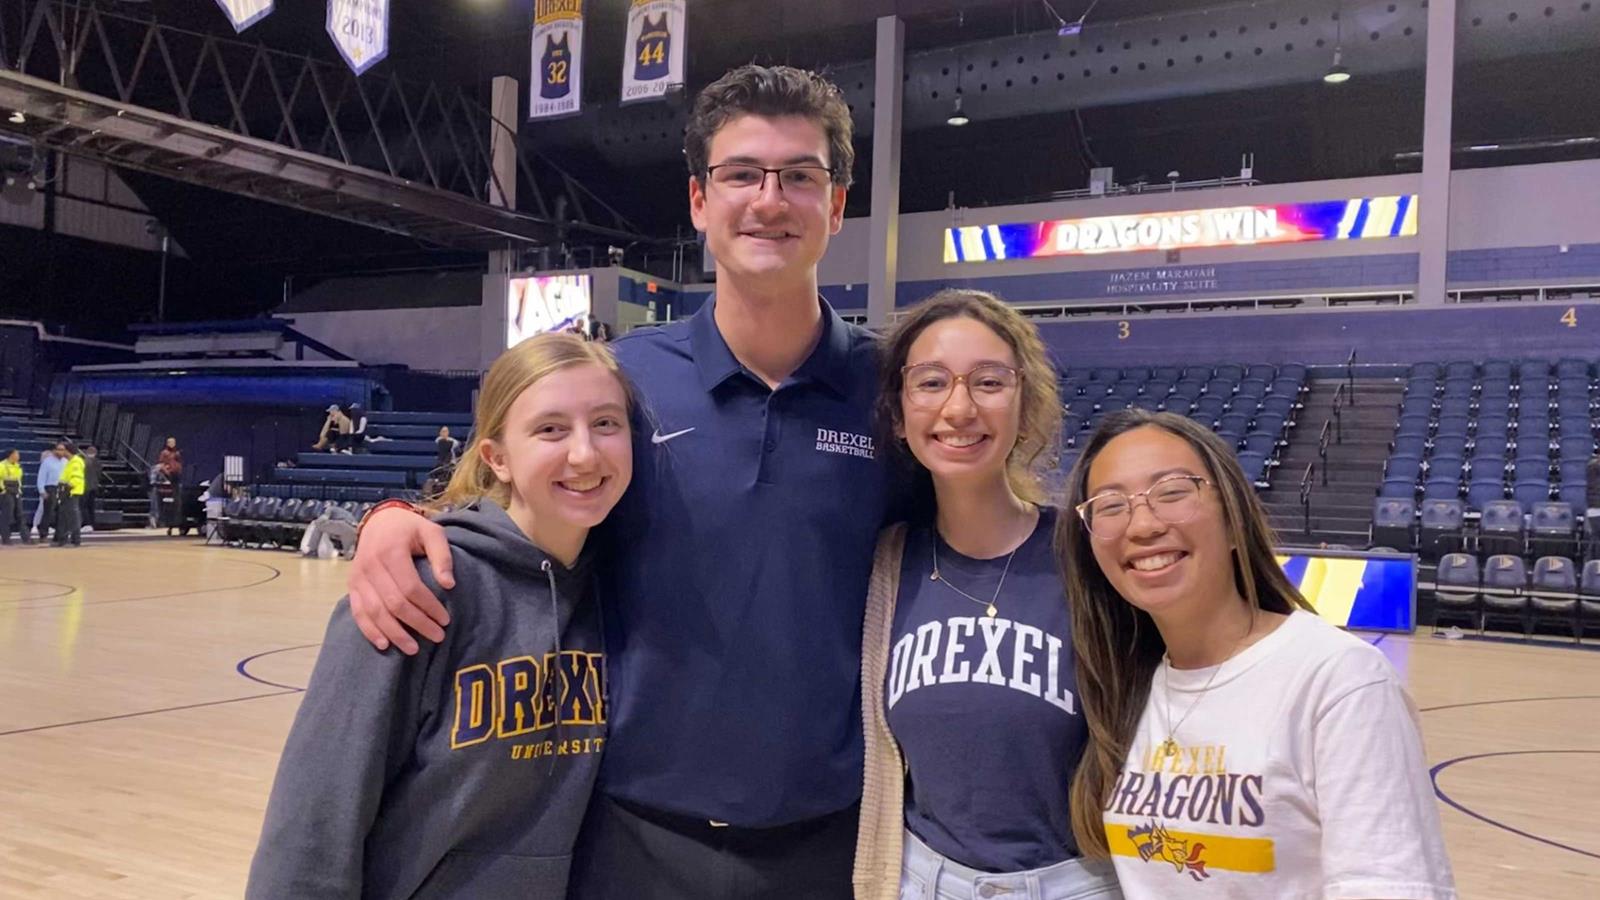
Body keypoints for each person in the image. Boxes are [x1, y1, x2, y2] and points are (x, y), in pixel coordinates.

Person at [348, 65, 890, 899]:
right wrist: (394, 518)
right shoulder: (624, 381)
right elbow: (508, 497)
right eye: (741, 174)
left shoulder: (892, 394)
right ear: (701, 201)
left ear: (838, 204)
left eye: (799, 177)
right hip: (630, 839)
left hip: (831, 845)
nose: (769, 200)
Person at [247, 332, 634, 898]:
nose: (584, 453)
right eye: (550, 429)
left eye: (606, 423)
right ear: (496, 457)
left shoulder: (626, 589)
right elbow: (313, 826)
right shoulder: (416, 589)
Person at [1059, 410, 1456, 899]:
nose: (1142, 524)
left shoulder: (1339, 679)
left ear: (1233, 520)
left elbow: (1389, 886)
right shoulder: (1118, 684)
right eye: (1110, 505)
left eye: (1173, 492)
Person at [854, 290, 1120, 900]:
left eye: (989, 382)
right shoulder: (884, 566)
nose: (959, 407)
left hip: (1075, 881)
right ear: (899, 412)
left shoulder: (1087, 553)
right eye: (931, 382)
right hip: (921, 879)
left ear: (1025, 404)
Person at [54, 443, 85, 547]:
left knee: (73, 517)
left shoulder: (76, 462)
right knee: (63, 517)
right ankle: (62, 539)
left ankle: (75, 540)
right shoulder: (70, 462)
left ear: (68, 451)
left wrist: (68, 487)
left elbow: (76, 478)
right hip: (66, 491)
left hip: (72, 492)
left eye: (63, 450)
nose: (62, 452)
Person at [33, 442, 66, 541]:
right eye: (59, 449)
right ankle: (43, 534)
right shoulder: (47, 462)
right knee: (48, 512)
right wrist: (42, 490)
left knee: (61, 512)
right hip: (50, 487)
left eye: (63, 450)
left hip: (62, 487)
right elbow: (41, 477)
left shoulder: (66, 462)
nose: (61, 452)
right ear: (55, 450)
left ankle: (59, 535)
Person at [0, 449, 27, 544]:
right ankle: (6, 538)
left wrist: (19, 491)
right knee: (7, 515)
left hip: (16, 491)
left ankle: (25, 537)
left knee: (20, 514)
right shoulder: (2, 465)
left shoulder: (18, 466)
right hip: (6, 492)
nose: (18, 456)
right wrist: (3, 490)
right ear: (11, 455)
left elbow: (18, 479)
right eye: (17, 454)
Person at [157, 437, 183, 532]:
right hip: (169, 477)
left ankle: (178, 521)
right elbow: (161, 464)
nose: (172, 444)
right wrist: (166, 472)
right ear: (167, 443)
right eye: (170, 442)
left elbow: (179, 463)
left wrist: (179, 469)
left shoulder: (177, 453)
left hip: (176, 477)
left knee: (177, 500)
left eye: (174, 442)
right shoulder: (164, 453)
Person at [81, 445, 101, 533]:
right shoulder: (98, 463)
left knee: (84, 505)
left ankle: (87, 523)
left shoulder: (84, 462)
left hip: (86, 486)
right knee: (91, 506)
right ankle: (91, 524)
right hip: (94, 486)